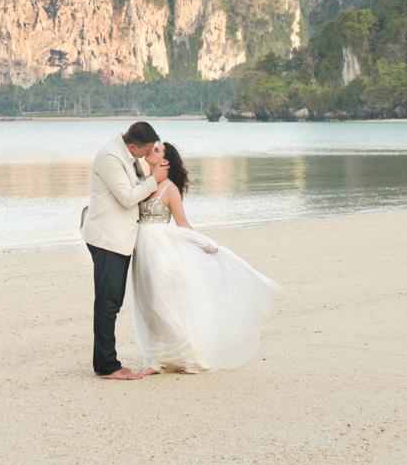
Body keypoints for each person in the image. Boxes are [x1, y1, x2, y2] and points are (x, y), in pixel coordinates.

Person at [129, 141, 282, 374]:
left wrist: (202, 242)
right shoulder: (144, 183)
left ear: (165, 161)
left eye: (157, 150)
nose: (151, 150)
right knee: (148, 306)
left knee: (163, 305)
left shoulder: (170, 189)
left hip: (162, 252)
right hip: (142, 252)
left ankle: (192, 358)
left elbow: (182, 223)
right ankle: (156, 361)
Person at [80, 120, 159, 380]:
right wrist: (154, 180)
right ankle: (107, 367)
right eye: (145, 150)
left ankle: (103, 362)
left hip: (119, 237)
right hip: (107, 238)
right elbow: (127, 198)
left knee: (111, 301)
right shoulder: (110, 157)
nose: (147, 155)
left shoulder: (129, 155)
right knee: (108, 303)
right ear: (133, 145)